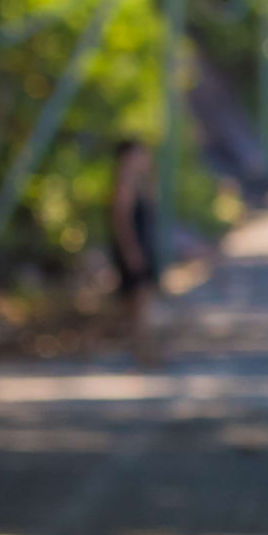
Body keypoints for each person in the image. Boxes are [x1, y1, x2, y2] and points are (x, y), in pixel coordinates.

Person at [106, 136, 160, 364]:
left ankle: (142, 349)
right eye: (139, 153)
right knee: (139, 304)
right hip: (133, 251)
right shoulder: (124, 185)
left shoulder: (139, 183)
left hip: (142, 249)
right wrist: (131, 252)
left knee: (138, 304)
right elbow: (121, 222)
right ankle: (142, 351)